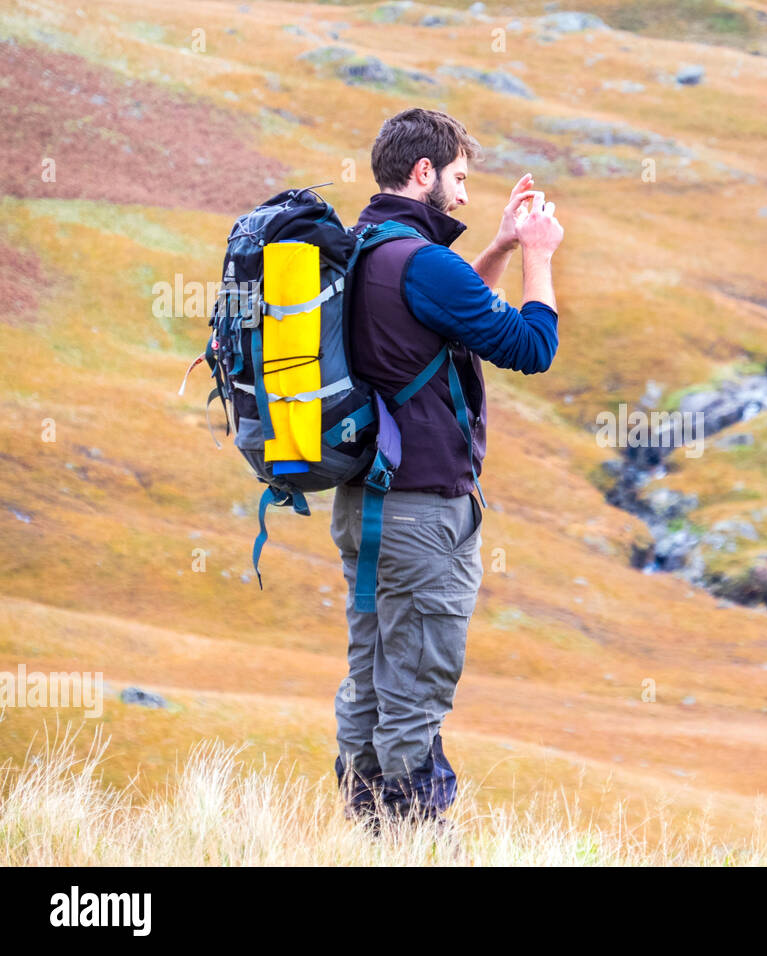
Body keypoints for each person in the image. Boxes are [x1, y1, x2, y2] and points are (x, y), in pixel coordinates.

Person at [329, 107, 564, 827]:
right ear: (423, 173)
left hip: (363, 507)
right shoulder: (422, 263)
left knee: (369, 676)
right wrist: (539, 255)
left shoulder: (362, 246)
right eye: (459, 178)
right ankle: (413, 838)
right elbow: (530, 346)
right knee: (415, 686)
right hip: (423, 515)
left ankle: (363, 831)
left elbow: (445, 311)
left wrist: (495, 245)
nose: (463, 196)